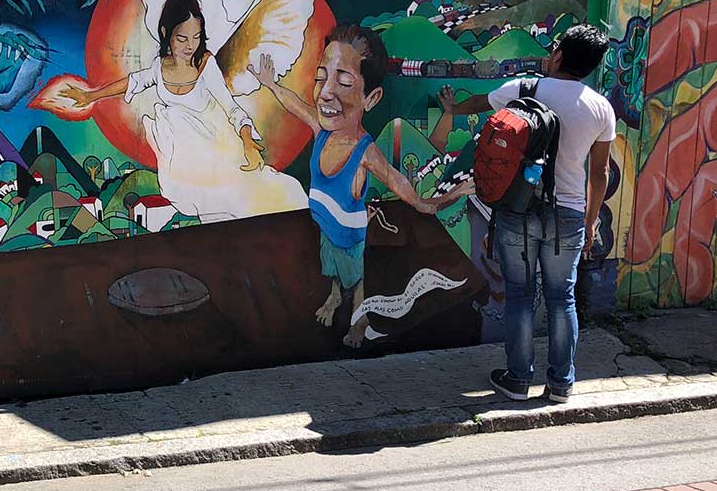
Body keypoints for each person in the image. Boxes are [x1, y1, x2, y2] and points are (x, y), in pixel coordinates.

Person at [257, 25, 471, 347]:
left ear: (371, 98)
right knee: (330, 268)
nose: (326, 92)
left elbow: (410, 195)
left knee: (356, 281)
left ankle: (360, 319)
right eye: (321, 77)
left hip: (350, 235)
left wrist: (450, 195)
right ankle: (332, 299)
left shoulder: (364, 152)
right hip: (325, 226)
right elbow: (294, 104)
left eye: (343, 81)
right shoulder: (322, 130)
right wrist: (270, 84)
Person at [439, 24, 616, 404]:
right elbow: (599, 173)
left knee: (520, 295)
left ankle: (518, 379)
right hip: (568, 213)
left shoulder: (525, 89)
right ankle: (560, 384)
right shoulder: (601, 108)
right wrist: (590, 220)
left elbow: (481, 104)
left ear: (559, 55)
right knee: (561, 298)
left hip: (517, 210)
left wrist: (453, 107)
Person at [61, 0, 306, 222]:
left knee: (253, 203)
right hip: (185, 162)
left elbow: (232, 109)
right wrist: (92, 96)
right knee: (213, 217)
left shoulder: (205, 65)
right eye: (182, 38)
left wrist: (248, 142)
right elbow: (132, 82)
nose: (190, 46)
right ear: (167, 32)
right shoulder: (159, 68)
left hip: (217, 152)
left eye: (196, 38)